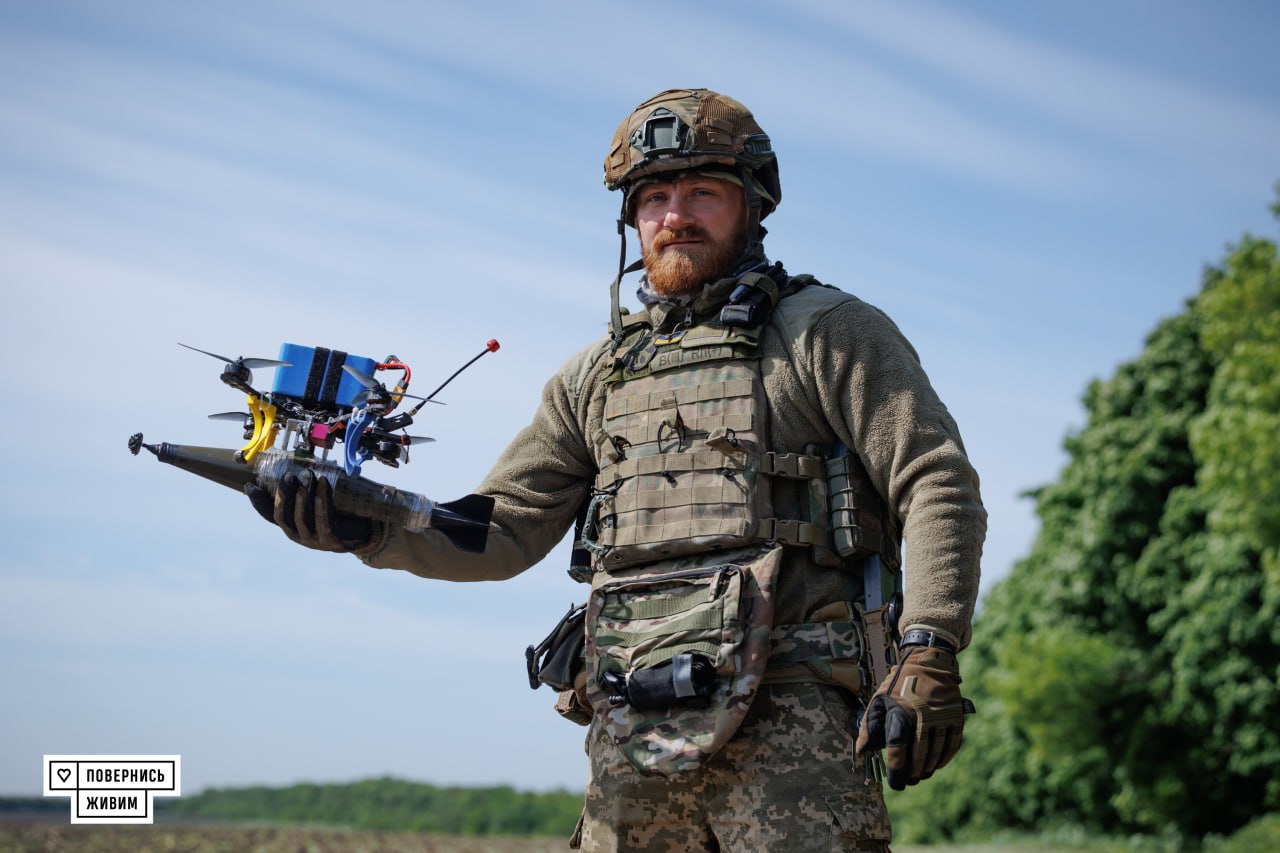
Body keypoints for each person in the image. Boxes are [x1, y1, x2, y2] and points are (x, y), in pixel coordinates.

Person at [249, 88, 986, 852]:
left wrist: (929, 645)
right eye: (655, 197)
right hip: (632, 733)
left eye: (703, 192)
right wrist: (366, 525)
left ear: (754, 206)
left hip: (796, 729)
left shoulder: (828, 333)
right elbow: (501, 526)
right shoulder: (595, 375)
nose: (676, 216)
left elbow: (935, 480)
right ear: (631, 220)